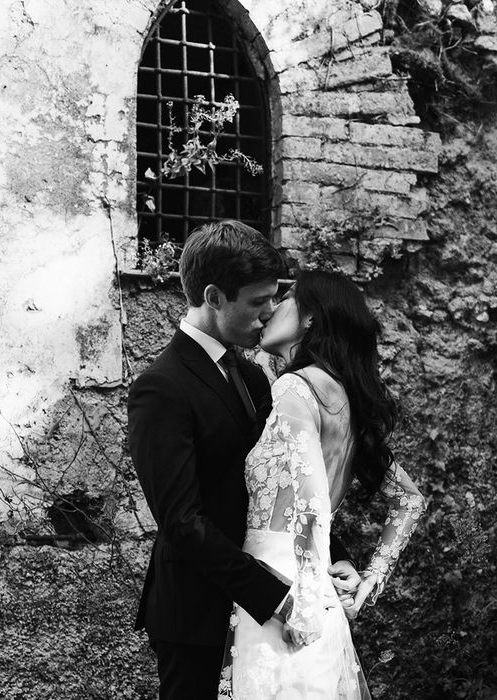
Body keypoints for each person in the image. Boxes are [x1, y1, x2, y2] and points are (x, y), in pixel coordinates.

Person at [127, 221, 359, 699]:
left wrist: (334, 560)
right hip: (197, 616)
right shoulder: (161, 387)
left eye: (274, 299)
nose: (270, 313)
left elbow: (286, 486)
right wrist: (275, 597)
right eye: (258, 302)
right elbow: (181, 520)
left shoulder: (254, 378)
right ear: (214, 297)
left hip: (262, 615)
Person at [217, 270, 426, 699]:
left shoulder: (297, 386)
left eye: (287, 298)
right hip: (316, 594)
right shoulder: (345, 397)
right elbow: (410, 501)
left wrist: (304, 604)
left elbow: (310, 505)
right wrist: (366, 583)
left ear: (310, 318)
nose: (272, 308)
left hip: (283, 602)